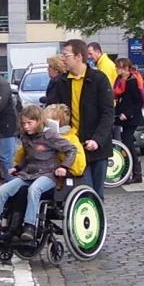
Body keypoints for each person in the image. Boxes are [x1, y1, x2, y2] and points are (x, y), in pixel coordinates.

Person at [0, 104, 85, 241]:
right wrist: (17, 168)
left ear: (38, 121)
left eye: (30, 123)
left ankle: (30, 226)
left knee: (34, 189)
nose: (26, 126)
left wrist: (64, 166)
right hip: (29, 173)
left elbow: (72, 150)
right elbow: (28, 156)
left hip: (48, 174)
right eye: (24, 123)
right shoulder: (25, 137)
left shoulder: (50, 136)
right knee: (3, 189)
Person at [43, 39, 115, 198]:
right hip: (71, 148)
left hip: (96, 147)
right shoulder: (61, 81)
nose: (63, 59)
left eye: (66, 55)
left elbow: (108, 113)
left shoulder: (98, 79)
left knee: (96, 194)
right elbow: (52, 112)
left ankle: (97, 221)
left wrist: (97, 139)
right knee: (80, 193)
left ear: (78, 56)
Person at [113, 58, 144, 185]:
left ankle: (135, 173)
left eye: (118, 67)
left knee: (128, 145)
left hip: (131, 118)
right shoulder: (121, 81)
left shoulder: (132, 81)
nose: (116, 70)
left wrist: (127, 114)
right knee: (127, 144)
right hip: (124, 118)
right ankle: (133, 173)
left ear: (125, 68)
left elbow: (137, 101)